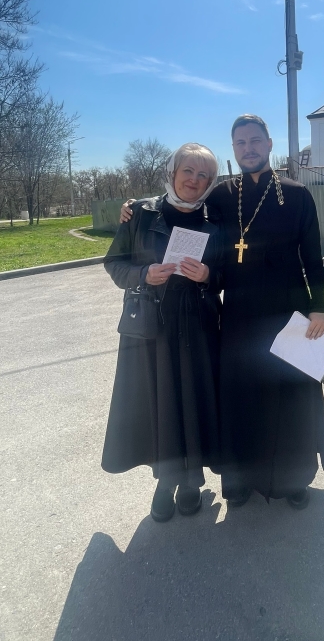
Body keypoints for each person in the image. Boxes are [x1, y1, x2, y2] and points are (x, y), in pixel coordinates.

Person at [121, 115, 324, 510]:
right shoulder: (220, 196)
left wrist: (318, 307)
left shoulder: (297, 194)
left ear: (269, 144)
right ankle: (239, 479)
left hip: (288, 312)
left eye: (255, 141)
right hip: (237, 313)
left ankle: (293, 479)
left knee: (292, 395)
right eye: (240, 143)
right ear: (234, 148)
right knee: (240, 397)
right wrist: (134, 206)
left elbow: (312, 256)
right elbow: (180, 204)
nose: (249, 149)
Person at [102, 143, 222, 522]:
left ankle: (190, 483)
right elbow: (114, 263)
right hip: (152, 327)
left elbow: (228, 272)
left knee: (194, 401)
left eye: (204, 175)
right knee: (162, 404)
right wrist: (143, 274)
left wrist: (209, 275)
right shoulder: (140, 213)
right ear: (172, 172)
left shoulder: (214, 218)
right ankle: (165, 482)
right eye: (188, 171)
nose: (194, 180)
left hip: (198, 326)